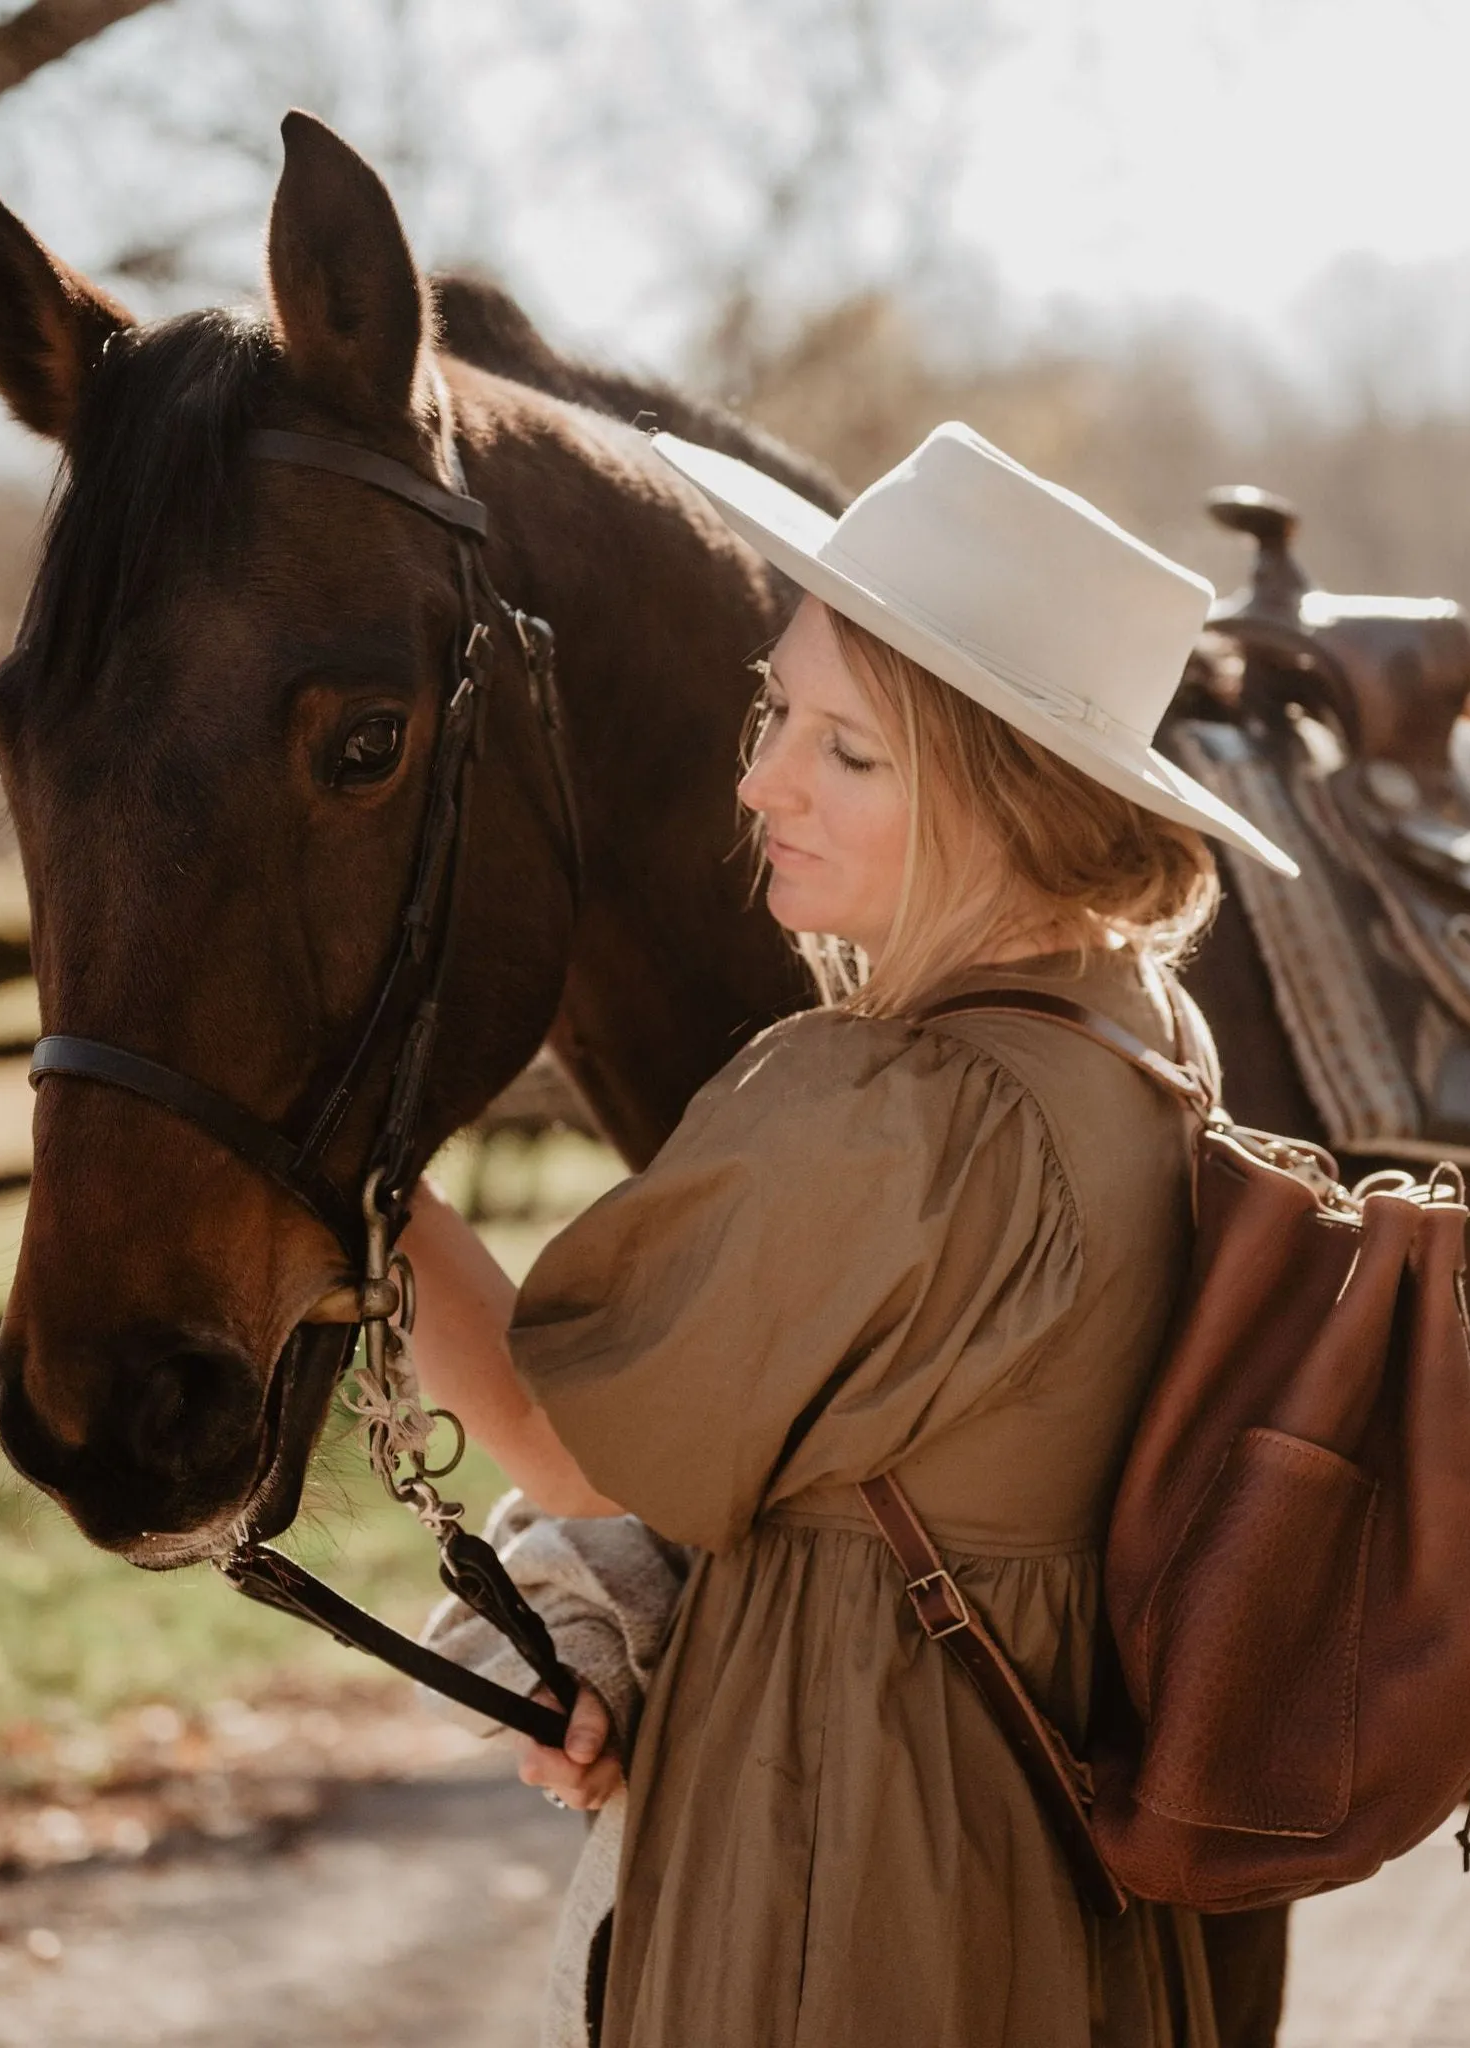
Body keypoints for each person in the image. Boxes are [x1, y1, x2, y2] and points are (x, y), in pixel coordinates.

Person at [401, 421, 1295, 2048]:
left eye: (849, 751)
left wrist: (361, 1176)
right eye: (776, 713)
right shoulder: (1139, 1030)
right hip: (1023, 1865)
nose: (761, 782)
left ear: (1005, 797)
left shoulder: (892, 1108)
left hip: (837, 1860)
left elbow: (569, 1443)